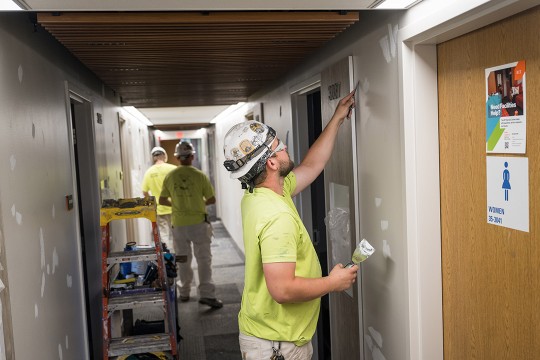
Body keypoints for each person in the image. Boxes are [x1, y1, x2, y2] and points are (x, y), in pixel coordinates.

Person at [222, 90, 359, 359]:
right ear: (271, 162)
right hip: (276, 345)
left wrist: (337, 119)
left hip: (271, 335)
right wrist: (333, 282)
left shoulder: (261, 193)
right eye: (279, 145)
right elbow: (282, 290)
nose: (284, 146)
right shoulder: (276, 217)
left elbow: (312, 165)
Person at [159, 141, 223, 309]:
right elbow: (212, 199)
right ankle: (207, 295)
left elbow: (162, 200)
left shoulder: (170, 176)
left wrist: (177, 205)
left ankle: (184, 292)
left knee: (182, 259)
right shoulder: (199, 175)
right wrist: (197, 202)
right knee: (204, 260)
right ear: (192, 157)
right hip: (199, 225)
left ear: (177, 158)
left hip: (179, 225)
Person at [142, 146, 177, 252]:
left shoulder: (149, 172)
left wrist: (153, 204)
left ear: (153, 158)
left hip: (160, 209)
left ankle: (168, 258)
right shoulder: (173, 169)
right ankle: (179, 258)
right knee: (177, 234)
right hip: (175, 208)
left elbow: (144, 192)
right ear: (164, 155)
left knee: (163, 234)